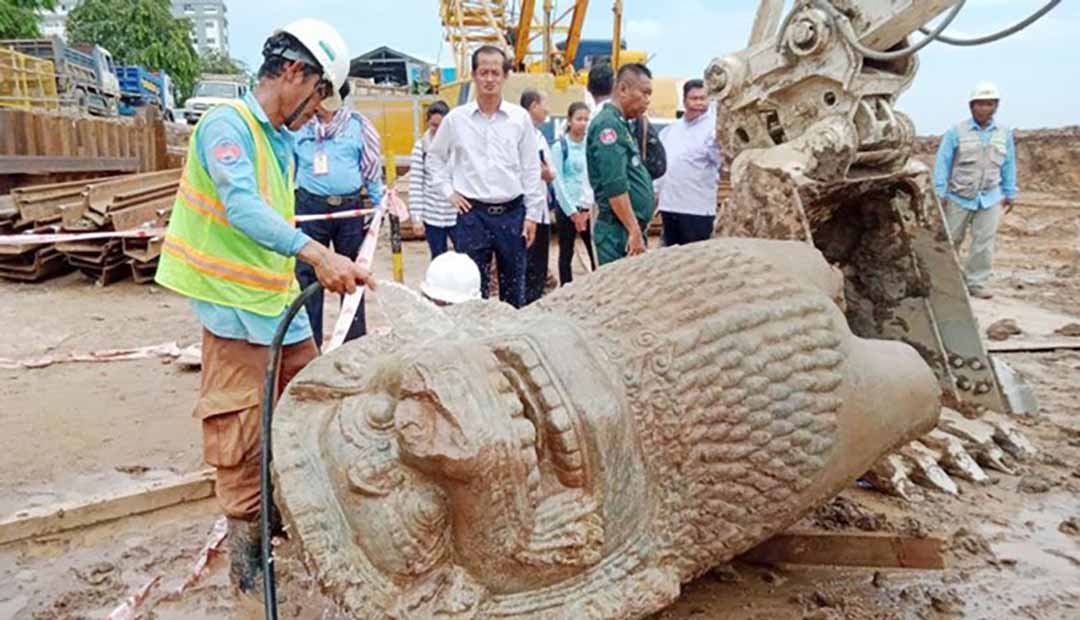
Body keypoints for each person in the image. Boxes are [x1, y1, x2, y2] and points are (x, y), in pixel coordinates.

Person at [153, 19, 372, 600]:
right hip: (233, 313)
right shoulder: (228, 125)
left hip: (278, 307)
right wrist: (318, 255)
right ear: (295, 72)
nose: (321, 109)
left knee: (309, 413)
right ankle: (251, 578)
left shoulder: (279, 140)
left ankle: (291, 526)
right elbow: (244, 209)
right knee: (242, 438)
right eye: (321, 92)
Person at [427, 45, 545, 308]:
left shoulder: (519, 119)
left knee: (514, 289)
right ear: (473, 75)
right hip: (472, 216)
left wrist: (533, 215)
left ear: (505, 76)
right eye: (484, 72)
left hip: (512, 214)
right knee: (470, 292)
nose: (489, 79)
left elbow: (530, 168)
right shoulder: (456, 120)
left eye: (495, 72)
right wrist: (448, 192)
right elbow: (434, 158)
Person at [293, 80, 385, 349]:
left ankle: (354, 347)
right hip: (310, 208)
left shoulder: (358, 126)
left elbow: (370, 170)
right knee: (309, 276)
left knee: (352, 276)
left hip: (349, 209)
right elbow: (290, 167)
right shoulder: (301, 127)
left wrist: (381, 203)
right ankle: (309, 347)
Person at [934, 81, 1018, 300]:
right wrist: (939, 192)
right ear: (972, 106)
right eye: (979, 104)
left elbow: (1009, 163)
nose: (984, 108)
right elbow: (943, 162)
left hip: (990, 197)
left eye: (988, 104)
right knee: (951, 240)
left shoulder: (1004, 133)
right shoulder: (956, 132)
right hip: (959, 197)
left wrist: (1010, 191)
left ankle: (976, 283)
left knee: (984, 244)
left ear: (995, 107)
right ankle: (946, 283)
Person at [587, 63, 655, 266]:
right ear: (623, 89)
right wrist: (633, 229)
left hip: (624, 229)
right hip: (617, 233)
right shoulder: (609, 125)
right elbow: (615, 186)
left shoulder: (620, 123)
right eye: (644, 93)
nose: (647, 100)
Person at [655, 79, 722, 246]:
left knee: (695, 261)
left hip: (697, 210)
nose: (699, 103)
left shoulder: (714, 130)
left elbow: (720, 159)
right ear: (684, 101)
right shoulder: (671, 130)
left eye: (703, 98)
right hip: (670, 206)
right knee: (671, 259)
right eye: (694, 98)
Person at [551, 101, 596, 285]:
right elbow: (558, 182)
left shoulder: (591, 146)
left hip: (588, 208)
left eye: (586, 119)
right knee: (566, 252)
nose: (583, 123)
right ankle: (566, 289)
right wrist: (573, 212)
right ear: (569, 121)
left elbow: (593, 176)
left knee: (594, 251)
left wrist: (586, 209)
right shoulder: (560, 147)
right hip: (567, 209)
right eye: (579, 119)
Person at [409, 100, 458, 259]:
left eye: (441, 126)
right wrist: (417, 218)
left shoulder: (458, 147)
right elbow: (416, 184)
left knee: (465, 258)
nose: (437, 130)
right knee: (438, 258)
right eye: (433, 125)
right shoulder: (421, 147)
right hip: (432, 215)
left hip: (457, 214)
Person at [521, 88, 556, 304]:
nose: (548, 109)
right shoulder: (519, 133)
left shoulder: (540, 136)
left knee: (540, 261)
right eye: (545, 104)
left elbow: (550, 172)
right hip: (526, 211)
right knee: (527, 261)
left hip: (541, 209)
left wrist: (547, 173)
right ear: (533, 106)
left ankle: (535, 300)